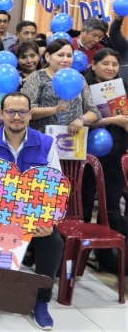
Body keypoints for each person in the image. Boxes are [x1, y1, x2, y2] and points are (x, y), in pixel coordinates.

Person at [0, 92, 63, 330]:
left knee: (54, 241)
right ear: (1, 114)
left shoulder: (46, 144)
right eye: (10, 111)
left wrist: (47, 221)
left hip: (31, 218)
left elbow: (54, 185)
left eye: (22, 112)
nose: (16, 117)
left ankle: (40, 300)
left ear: (30, 115)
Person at [84, 48, 128, 271]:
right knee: (82, 204)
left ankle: (109, 260)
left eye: (114, 64)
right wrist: (114, 119)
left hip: (115, 153)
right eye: (105, 63)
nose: (110, 68)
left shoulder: (122, 88)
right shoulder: (83, 86)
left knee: (111, 205)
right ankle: (79, 256)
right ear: (93, 65)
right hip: (86, 153)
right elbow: (79, 121)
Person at [21, 38, 100, 134]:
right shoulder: (37, 77)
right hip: (42, 138)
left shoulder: (78, 78)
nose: (66, 60)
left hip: (72, 139)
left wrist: (81, 120)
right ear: (48, 56)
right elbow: (25, 111)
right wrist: (55, 110)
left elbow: (93, 111)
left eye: (69, 56)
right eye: (60, 55)